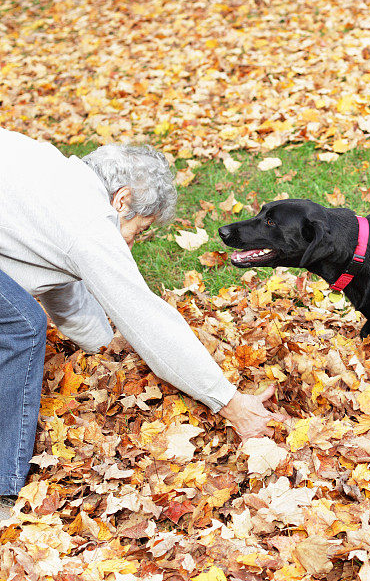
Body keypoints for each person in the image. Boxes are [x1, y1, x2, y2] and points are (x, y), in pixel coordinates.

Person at [0, 128, 285, 522]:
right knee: (21, 325)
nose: (136, 239)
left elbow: (61, 290)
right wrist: (231, 403)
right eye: (142, 227)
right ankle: (4, 485)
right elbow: (146, 317)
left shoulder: (60, 184)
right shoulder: (87, 221)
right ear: (122, 200)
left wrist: (107, 351)